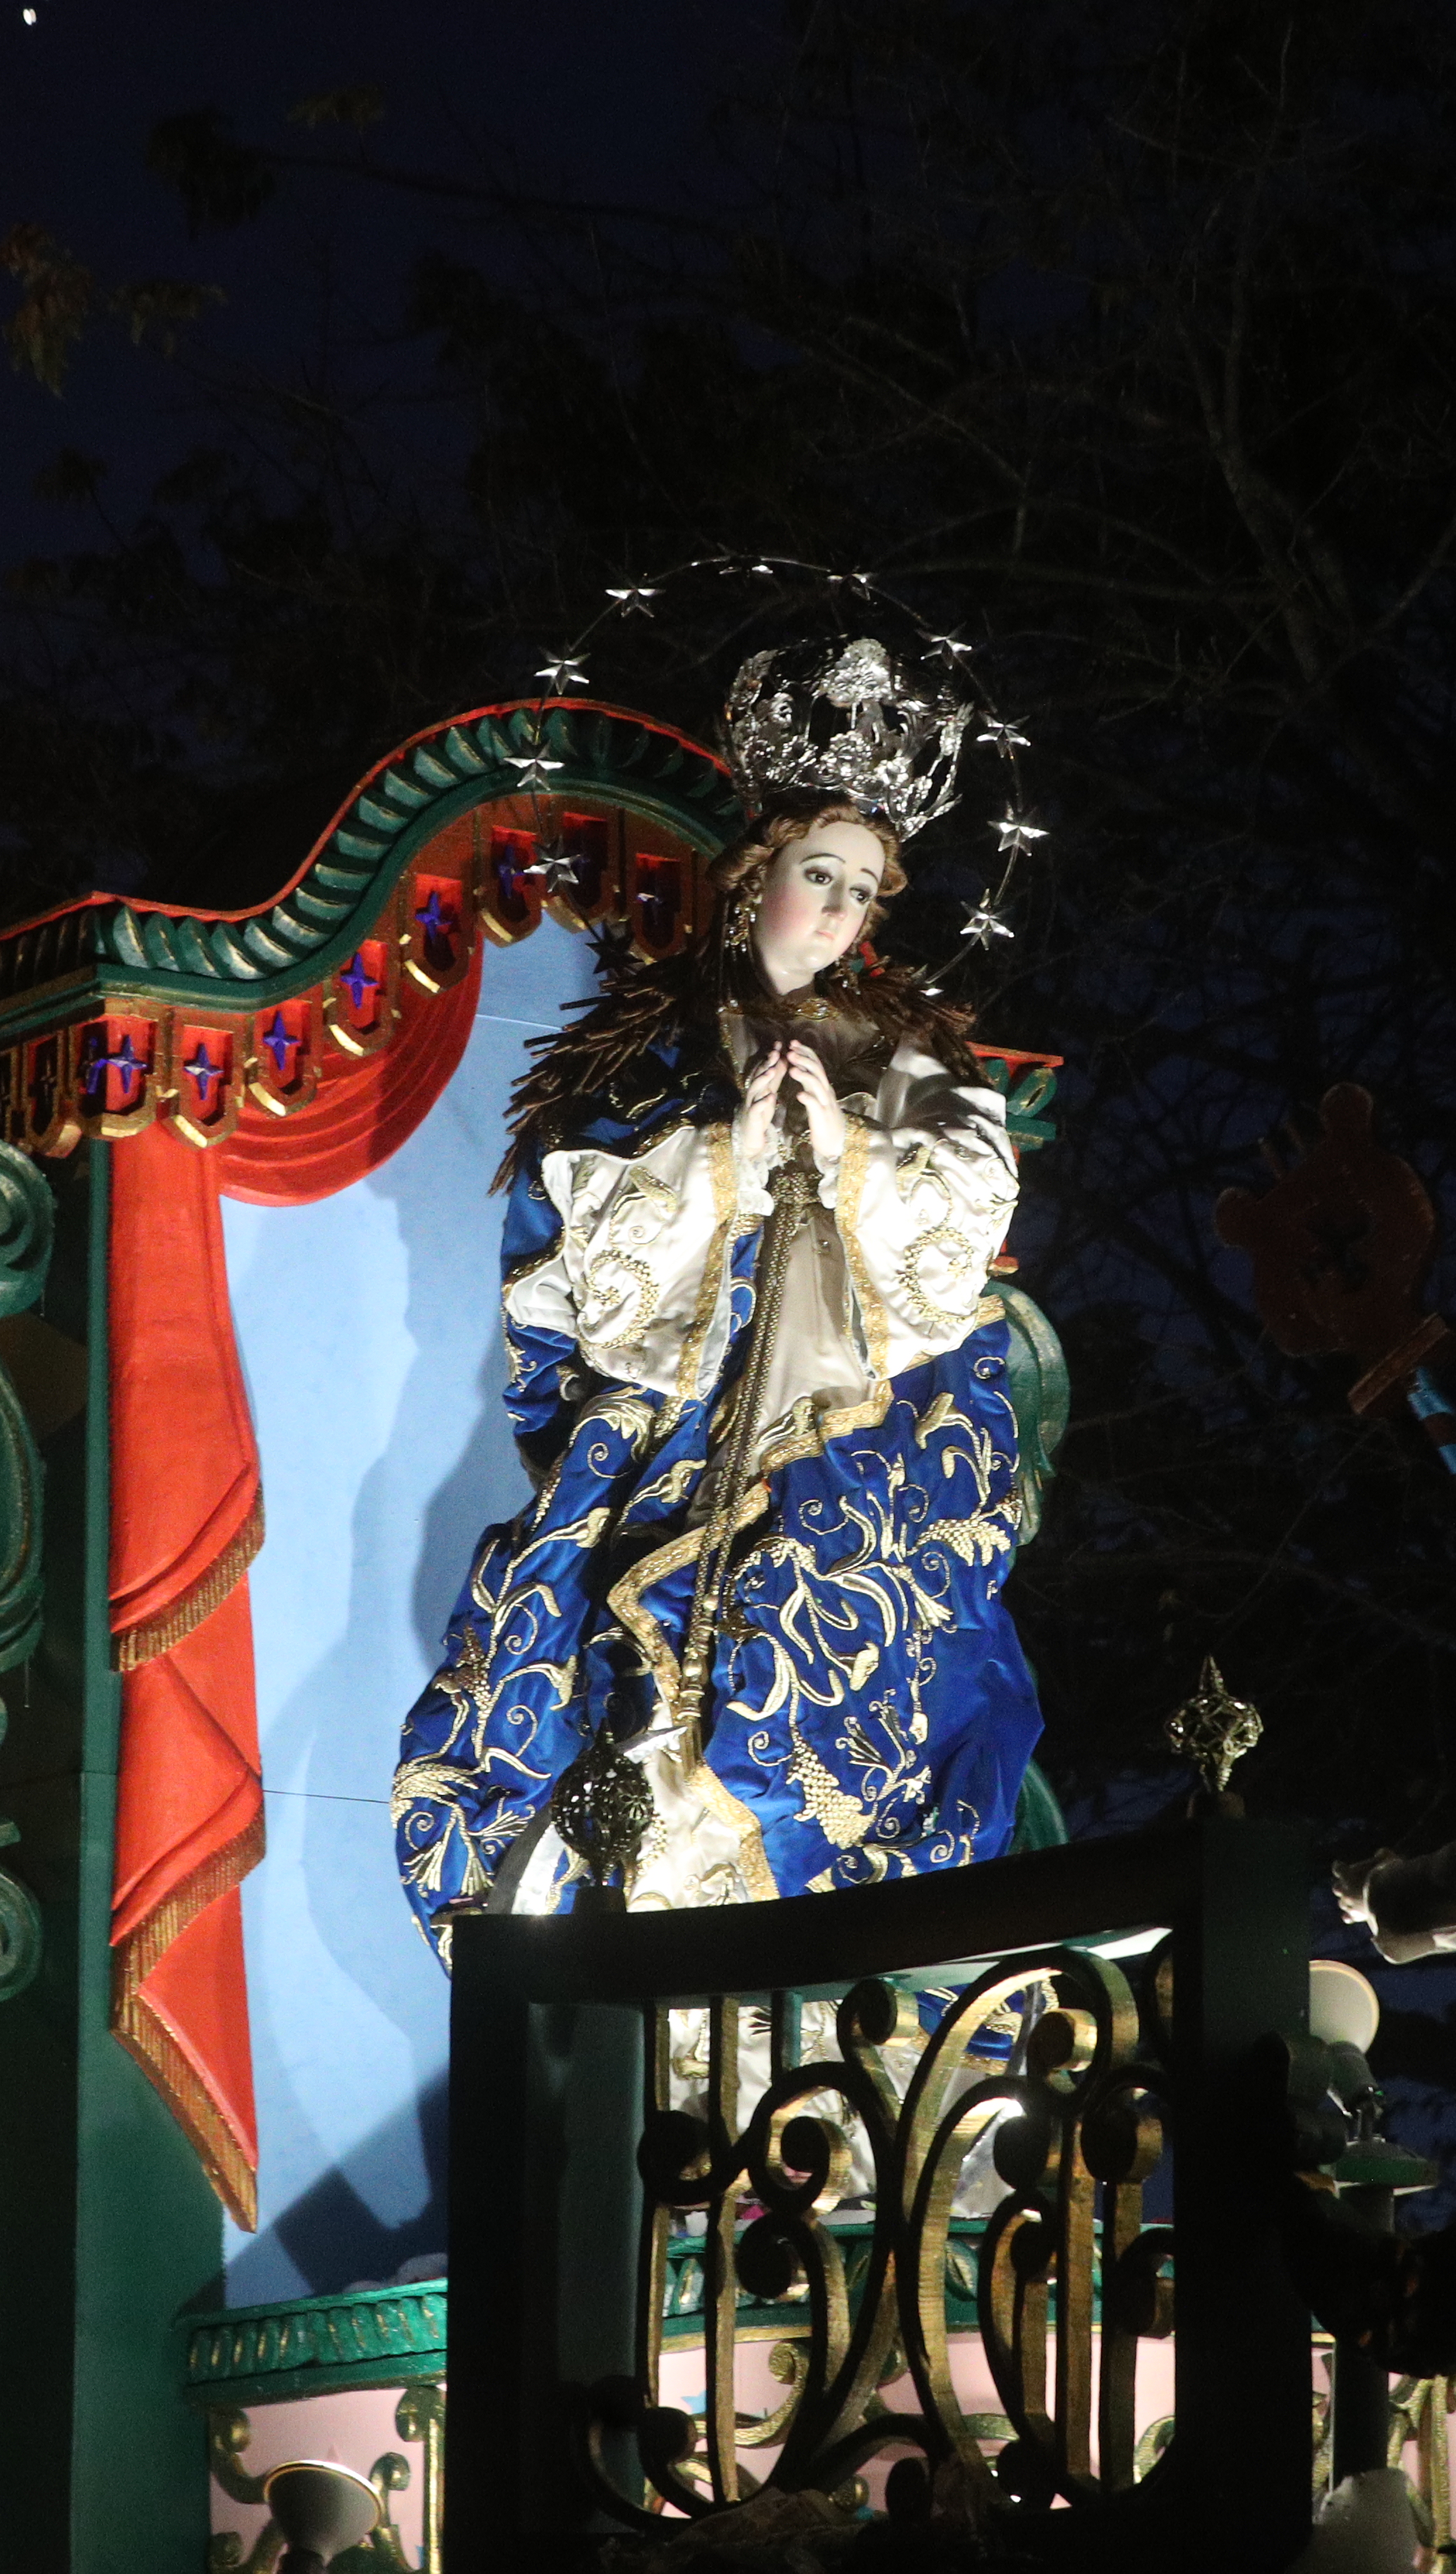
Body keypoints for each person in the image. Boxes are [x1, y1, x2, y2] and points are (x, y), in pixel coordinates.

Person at [393, 640, 1043, 1950]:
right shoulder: (655, 1046)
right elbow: (569, 1240)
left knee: (845, 1659)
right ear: (756, 880)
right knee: (644, 1669)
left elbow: (967, 1213)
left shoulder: (906, 1055)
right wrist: (728, 1155)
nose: (844, 911)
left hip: (850, 1414)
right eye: (822, 876)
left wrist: (853, 1156)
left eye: (865, 891)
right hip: (685, 1412)